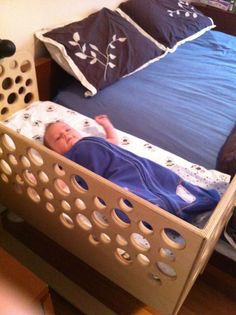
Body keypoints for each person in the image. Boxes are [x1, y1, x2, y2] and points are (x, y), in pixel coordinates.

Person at [44, 115, 220, 226]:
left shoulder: (93, 140)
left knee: (170, 179)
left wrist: (107, 126)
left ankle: (199, 203)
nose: (66, 134)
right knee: (131, 200)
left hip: (142, 166)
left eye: (67, 129)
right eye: (58, 138)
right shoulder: (68, 160)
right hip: (119, 177)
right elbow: (60, 180)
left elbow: (113, 140)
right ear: (54, 152)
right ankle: (174, 218)